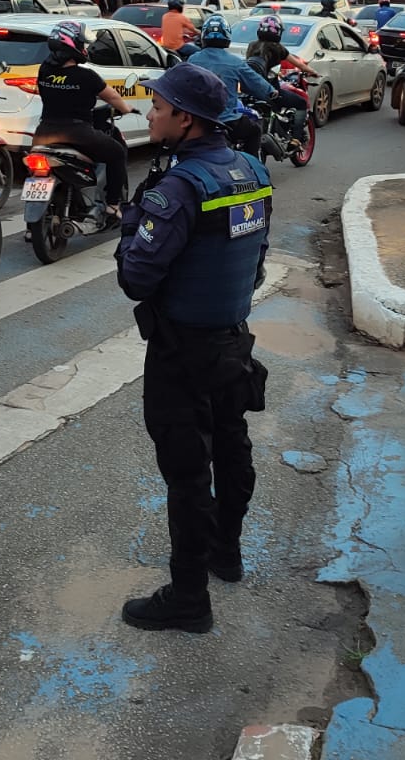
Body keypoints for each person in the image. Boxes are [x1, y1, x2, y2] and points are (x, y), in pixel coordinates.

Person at [114, 64, 272, 633]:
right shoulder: (251, 170)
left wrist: (131, 227)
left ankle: (187, 598)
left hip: (182, 351)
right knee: (232, 447)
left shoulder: (180, 188)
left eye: (158, 106)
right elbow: (256, 262)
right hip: (232, 342)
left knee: (187, 474)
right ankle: (225, 553)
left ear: (185, 118)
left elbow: (137, 277)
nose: (151, 113)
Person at [34, 20, 131, 225]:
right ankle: (113, 205)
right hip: (77, 133)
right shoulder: (86, 76)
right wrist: (127, 109)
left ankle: (31, 226)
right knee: (117, 153)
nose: (84, 48)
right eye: (81, 43)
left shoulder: (44, 70)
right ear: (72, 45)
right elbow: (112, 98)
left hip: (43, 133)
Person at [187, 14, 272, 155]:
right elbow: (257, 84)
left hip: (198, 120)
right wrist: (272, 93)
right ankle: (252, 168)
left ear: (204, 36)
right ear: (227, 36)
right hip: (226, 121)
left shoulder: (192, 59)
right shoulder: (235, 62)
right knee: (255, 131)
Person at [246, 15, 316, 143]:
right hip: (272, 93)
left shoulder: (252, 46)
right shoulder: (277, 48)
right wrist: (314, 72)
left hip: (251, 92)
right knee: (301, 103)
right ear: (278, 32)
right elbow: (299, 64)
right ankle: (296, 139)